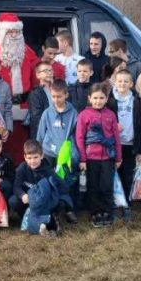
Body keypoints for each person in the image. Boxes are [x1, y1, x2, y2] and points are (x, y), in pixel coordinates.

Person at [0, 13, 39, 159]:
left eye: (17, 32)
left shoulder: (26, 50)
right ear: (2, 32)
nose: (15, 35)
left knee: (22, 148)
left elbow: (37, 74)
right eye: (11, 32)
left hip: (23, 107)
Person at [75, 84, 121, 227]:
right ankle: (95, 213)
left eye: (101, 98)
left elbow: (116, 137)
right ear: (89, 98)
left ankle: (107, 211)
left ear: (107, 99)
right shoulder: (84, 115)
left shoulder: (111, 115)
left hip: (107, 157)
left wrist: (118, 157)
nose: (98, 101)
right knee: (93, 186)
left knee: (106, 186)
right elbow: (80, 138)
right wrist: (82, 158)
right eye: (95, 98)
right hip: (91, 158)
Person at [35, 78, 80, 223]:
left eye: (59, 96)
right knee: (49, 182)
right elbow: (40, 134)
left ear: (66, 95)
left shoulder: (74, 113)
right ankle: (51, 211)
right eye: (53, 96)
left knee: (66, 182)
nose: (56, 99)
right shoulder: (47, 113)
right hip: (49, 153)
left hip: (65, 155)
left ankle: (68, 209)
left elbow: (76, 134)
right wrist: (39, 151)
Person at [109, 69, 141, 222]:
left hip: (130, 145)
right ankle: (115, 205)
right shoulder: (109, 101)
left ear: (131, 84)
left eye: (126, 81)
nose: (122, 84)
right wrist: (113, 127)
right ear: (115, 83)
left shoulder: (137, 101)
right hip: (113, 145)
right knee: (112, 176)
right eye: (119, 81)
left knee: (127, 176)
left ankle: (127, 205)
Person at [10, 139, 69, 233]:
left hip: (43, 202)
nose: (32, 161)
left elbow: (63, 186)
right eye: (29, 158)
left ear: (42, 156)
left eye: (35, 157)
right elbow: (16, 187)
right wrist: (23, 195)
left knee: (61, 202)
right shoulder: (22, 168)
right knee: (13, 200)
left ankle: (49, 219)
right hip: (29, 200)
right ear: (24, 157)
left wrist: (50, 194)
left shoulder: (48, 171)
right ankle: (26, 218)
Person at [27, 59, 54, 140]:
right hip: (43, 134)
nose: (49, 73)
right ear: (38, 75)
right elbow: (36, 118)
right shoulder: (35, 94)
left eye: (51, 70)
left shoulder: (57, 90)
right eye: (45, 71)